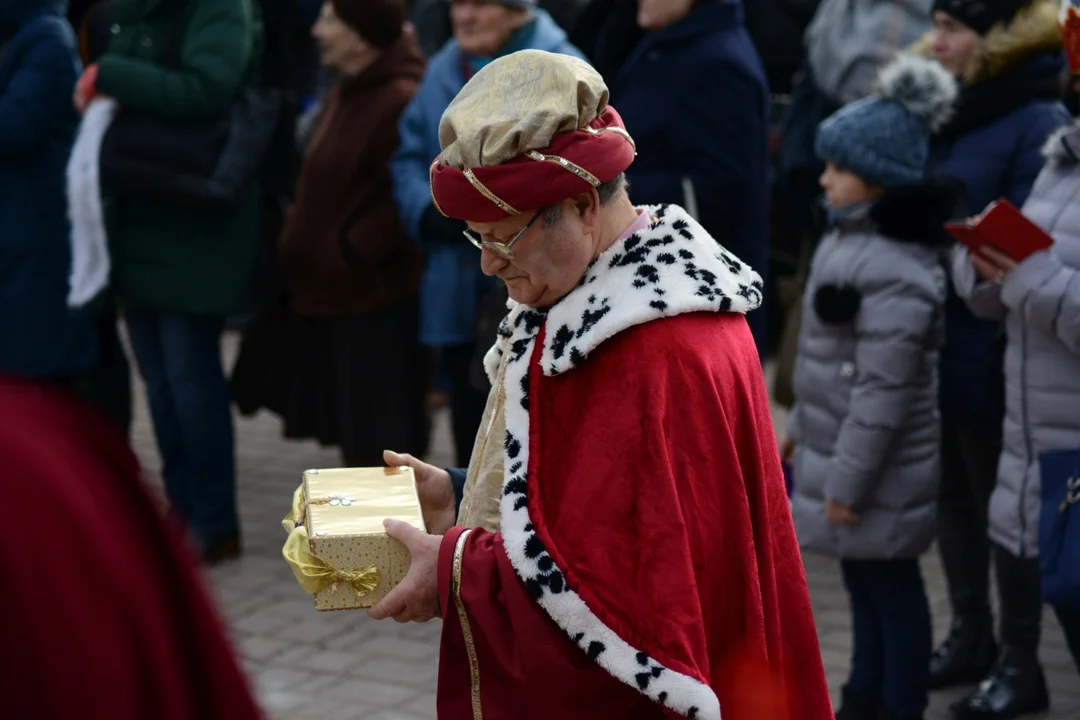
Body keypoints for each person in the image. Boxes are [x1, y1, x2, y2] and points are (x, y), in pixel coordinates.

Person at [371, 50, 833, 720]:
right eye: (477, 240)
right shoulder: (602, 295)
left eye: (502, 237)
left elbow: (623, 602)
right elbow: (594, 502)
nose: (491, 264)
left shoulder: (648, 349)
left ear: (583, 204)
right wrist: (464, 489)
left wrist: (453, 570)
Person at [784, 55, 957, 720]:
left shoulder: (898, 269)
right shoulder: (846, 240)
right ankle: (863, 692)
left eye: (838, 168)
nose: (823, 178)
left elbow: (882, 397)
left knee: (892, 589)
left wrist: (848, 489)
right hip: (841, 464)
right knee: (862, 583)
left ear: (879, 180)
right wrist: (799, 428)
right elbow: (828, 366)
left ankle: (898, 701)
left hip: (876, 473)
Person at [913, 0, 1071, 704]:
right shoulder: (1033, 137)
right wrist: (973, 259)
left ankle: (1016, 659)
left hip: (1013, 363)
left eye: (954, 27)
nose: (936, 41)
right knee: (967, 500)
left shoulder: (1037, 121)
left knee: (1013, 517)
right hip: (977, 341)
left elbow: (1037, 255)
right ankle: (985, 645)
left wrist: (1015, 270)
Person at [73, 0, 263, 564]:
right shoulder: (130, 9)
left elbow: (206, 87)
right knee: (159, 381)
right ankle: (182, 511)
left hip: (192, 220)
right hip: (140, 210)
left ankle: (212, 521)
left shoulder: (220, 8)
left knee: (189, 380)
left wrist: (109, 75)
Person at [231, 0, 429, 467]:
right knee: (357, 444)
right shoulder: (350, 90)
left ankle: (392, 541)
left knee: (381, 448)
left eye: (329, 19)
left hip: (375, 306)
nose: (316, 30)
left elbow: (409, 196)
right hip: (336, 301)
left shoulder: (398, 98)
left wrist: (353, 251)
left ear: (359, 34)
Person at [0, 376, 263, 720]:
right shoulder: (38, 449)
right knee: (168, 385)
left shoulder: (32, 459)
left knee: (187, 383)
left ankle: (211, 518)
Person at [391, 0, 584, 467]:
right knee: (468, 418)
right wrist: (430, 207)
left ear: (518, 11)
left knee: (528, 429)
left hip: (531, 282)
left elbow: (572, 175)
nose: (465, 16)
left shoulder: (561, 70)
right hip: (454, 278)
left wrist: (486, 207)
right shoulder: (443, 67)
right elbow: (408, 156)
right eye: (458, 3)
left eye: (481, 4)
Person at [608, 0, 771, 356]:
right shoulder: (665, 42)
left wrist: (609, 194)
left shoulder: (720, 63)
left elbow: (723, 190)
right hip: (654, 282)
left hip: (695, 301)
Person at [0, 1, 98, 391]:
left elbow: (14, 127)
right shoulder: (22, 36)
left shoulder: (47, 36)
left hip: (35, 225)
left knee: (37, 370)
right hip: (17, 225)